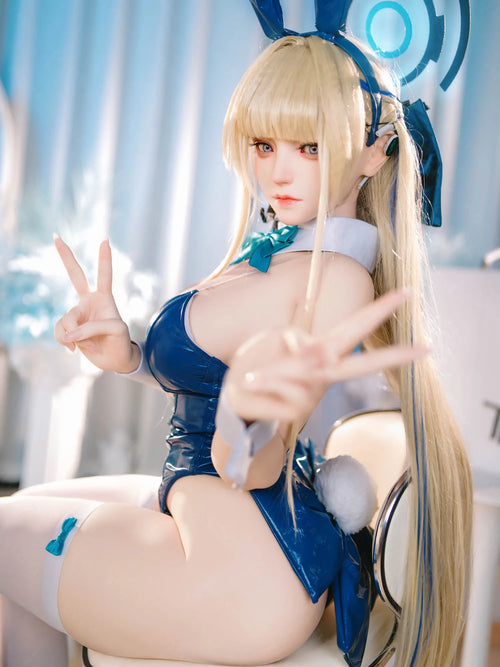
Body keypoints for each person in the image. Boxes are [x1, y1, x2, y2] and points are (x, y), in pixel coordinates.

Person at [0, 21, 471, 667]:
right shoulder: (279, 254)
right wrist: (128, 355)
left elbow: (257, 463)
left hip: (239, 570)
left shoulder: (335, 279)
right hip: (201, 512)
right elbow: (212, 379)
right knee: (22, 510)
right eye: (264, 144)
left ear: (374, 152)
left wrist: (245, 415)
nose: (279, 171)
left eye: (310, 146)